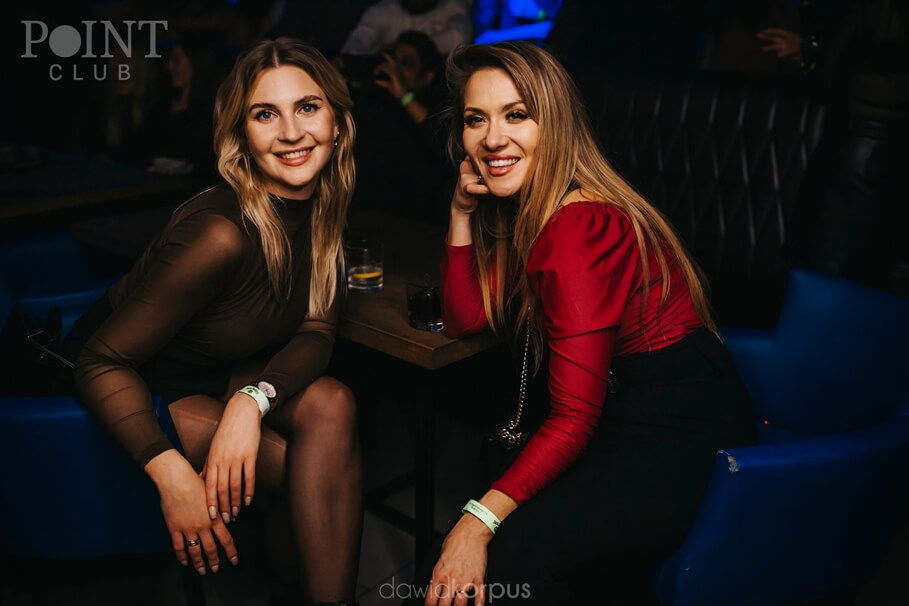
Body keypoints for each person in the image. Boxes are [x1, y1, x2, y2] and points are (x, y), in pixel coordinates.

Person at [406, 41, 758, 605]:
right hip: (619, 418)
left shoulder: (579, 228)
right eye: (476, 119)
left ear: (555, 125)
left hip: (681, 434)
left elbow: (573, 418)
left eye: (516, 115)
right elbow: (464, 318)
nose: (492, 138)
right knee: (454, 564)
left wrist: (476, 522)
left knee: (490, 564)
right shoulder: (532, 209)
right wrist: (461, 214)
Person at [65, 36, 362, 606]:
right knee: (308, 469)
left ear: (338, 122)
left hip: (213, 370)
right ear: (241, 136)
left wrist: (252, 401)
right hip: (135, 383)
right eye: (265, 114)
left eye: (307, 107)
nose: (292, 132)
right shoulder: (220, 233)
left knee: (333, 403)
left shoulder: (324, 208)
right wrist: (171, 473)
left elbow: (316, 332)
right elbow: (98, 361)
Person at [347, 29, 454, 225]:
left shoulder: (439, 109)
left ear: (427, 77)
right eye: (392, 60)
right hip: (366, 215)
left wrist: (403, 95)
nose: (394, 69)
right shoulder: (370, 99)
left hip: (418, 223)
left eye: (407, 64)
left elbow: (443, 141)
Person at [339, 0, 473, 58]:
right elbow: (354, 46)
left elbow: (459, 40)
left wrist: (396, 50)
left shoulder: (454, 7)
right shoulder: (384, 10)